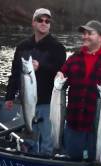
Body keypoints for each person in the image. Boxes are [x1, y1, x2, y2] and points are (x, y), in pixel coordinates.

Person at [57, 20, 101, 160]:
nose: (85, 36)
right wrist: (59, 76)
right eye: (84, 33)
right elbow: (63, 79)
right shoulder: (74, 58)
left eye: (90, 33)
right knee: (73, 161)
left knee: (98, 161)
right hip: (74, 123)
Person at [5, 8, 66, 155]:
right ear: (33, 23)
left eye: (47, 21)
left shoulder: (58, 48)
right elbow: (15, 73)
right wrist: (9, 96)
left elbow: (61, 74)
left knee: (47, 143)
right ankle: (28, 162)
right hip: (26, 100)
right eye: (40, 20)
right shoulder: (22, 46)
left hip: (48, 102)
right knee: (28, 141)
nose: (44, 23)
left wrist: (42, 67)